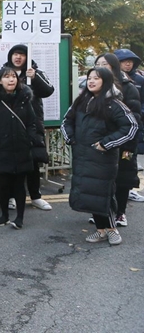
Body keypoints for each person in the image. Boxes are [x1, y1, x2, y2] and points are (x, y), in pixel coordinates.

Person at [61, 67, 138, 245]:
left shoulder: (114, 103)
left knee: (104, 193)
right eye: (89, 78)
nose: (91, 81)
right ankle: (101, 229)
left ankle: (112, 229)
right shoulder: (81, 101)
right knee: (90, 193)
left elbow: (131, 127)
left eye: (96, 78)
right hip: (82, 156)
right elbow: (67, 121)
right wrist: (71, 138)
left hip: (103, 159)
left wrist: (107, 143)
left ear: (106, 81)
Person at [0, 66, 39, 229]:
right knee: (3, 185)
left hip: (21, 148)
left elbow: (31, 123)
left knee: (19, 185)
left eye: (13, 76)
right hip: (1, 149)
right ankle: (4, 215)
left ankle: (20, 217)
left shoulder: (24, 98)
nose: (11, 79)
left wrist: (29, 139)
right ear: (0, 80)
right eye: (7, 77)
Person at [4, 44, 54, 212]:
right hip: (10, 124)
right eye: (15, 54)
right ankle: (11, 196)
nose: (18, 57)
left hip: (31, 124)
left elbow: (48, 90)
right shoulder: (4, 73)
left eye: (21, 55)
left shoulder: (35, 72)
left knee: (33, 162)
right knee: (11, 162)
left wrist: (35, 77)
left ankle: (36, 196)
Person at [93, 54, 141, 228]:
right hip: (101, 142)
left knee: (122, 179)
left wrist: (129, 146)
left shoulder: (128, 88)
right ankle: (103, 212)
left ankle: (120, 213)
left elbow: (134, 120)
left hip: (123, 142)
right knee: (103, 179)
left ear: (113, 66)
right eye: (97, 64)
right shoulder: (95, 87)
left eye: (104, 64)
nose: (100, 66)